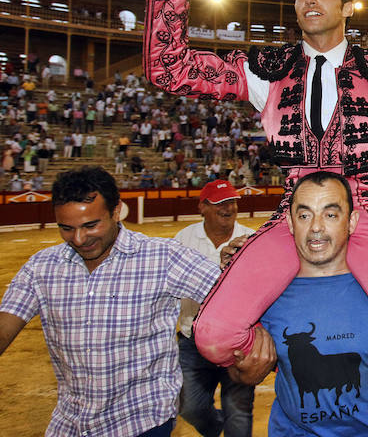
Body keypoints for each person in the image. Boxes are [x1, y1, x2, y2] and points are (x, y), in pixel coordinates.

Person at [143, 0, 368, 366]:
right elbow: (169, 69)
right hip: (293, 214)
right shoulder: (269, 69)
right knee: (211, 333)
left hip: (366, 214)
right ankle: (282, 357)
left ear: (347, 7)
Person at [0, 167, 220, 436]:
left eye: (91, 225)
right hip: (70, 424)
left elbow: (232, 293)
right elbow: (4, 325)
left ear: (116, 211)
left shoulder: (163, 258)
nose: (79, 239)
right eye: (66, 228)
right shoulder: (41, 267)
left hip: (141, 422)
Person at [227, 171, 368, 435]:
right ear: (290, 221)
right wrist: (245, 374)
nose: (316, 227)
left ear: (352, 221)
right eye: (304, 215)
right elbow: (237, 371)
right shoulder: (266, 290)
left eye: (330, 214)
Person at [174, 180, 256, 437]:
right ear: (202, 207)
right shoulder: (183, 239)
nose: (228, 207)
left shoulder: (252, 239)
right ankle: (216, 425)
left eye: (231, 202)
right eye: (219, 202)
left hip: (238, 343)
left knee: (239, 414)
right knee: (189, 406)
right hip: (193, 340)